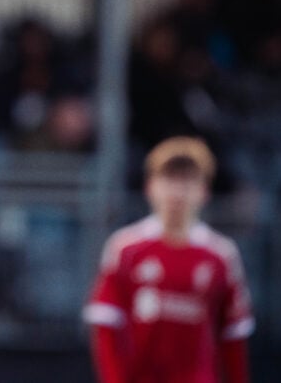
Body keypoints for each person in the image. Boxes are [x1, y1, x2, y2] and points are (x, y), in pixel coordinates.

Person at [83, 136, 254, 383]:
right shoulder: (126, 248)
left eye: (187, 182)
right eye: (168, 180)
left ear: (204, 191)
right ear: (150, 187)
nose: (177, 193)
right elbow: (106, 323)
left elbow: (233, 336)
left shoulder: (221, 254)